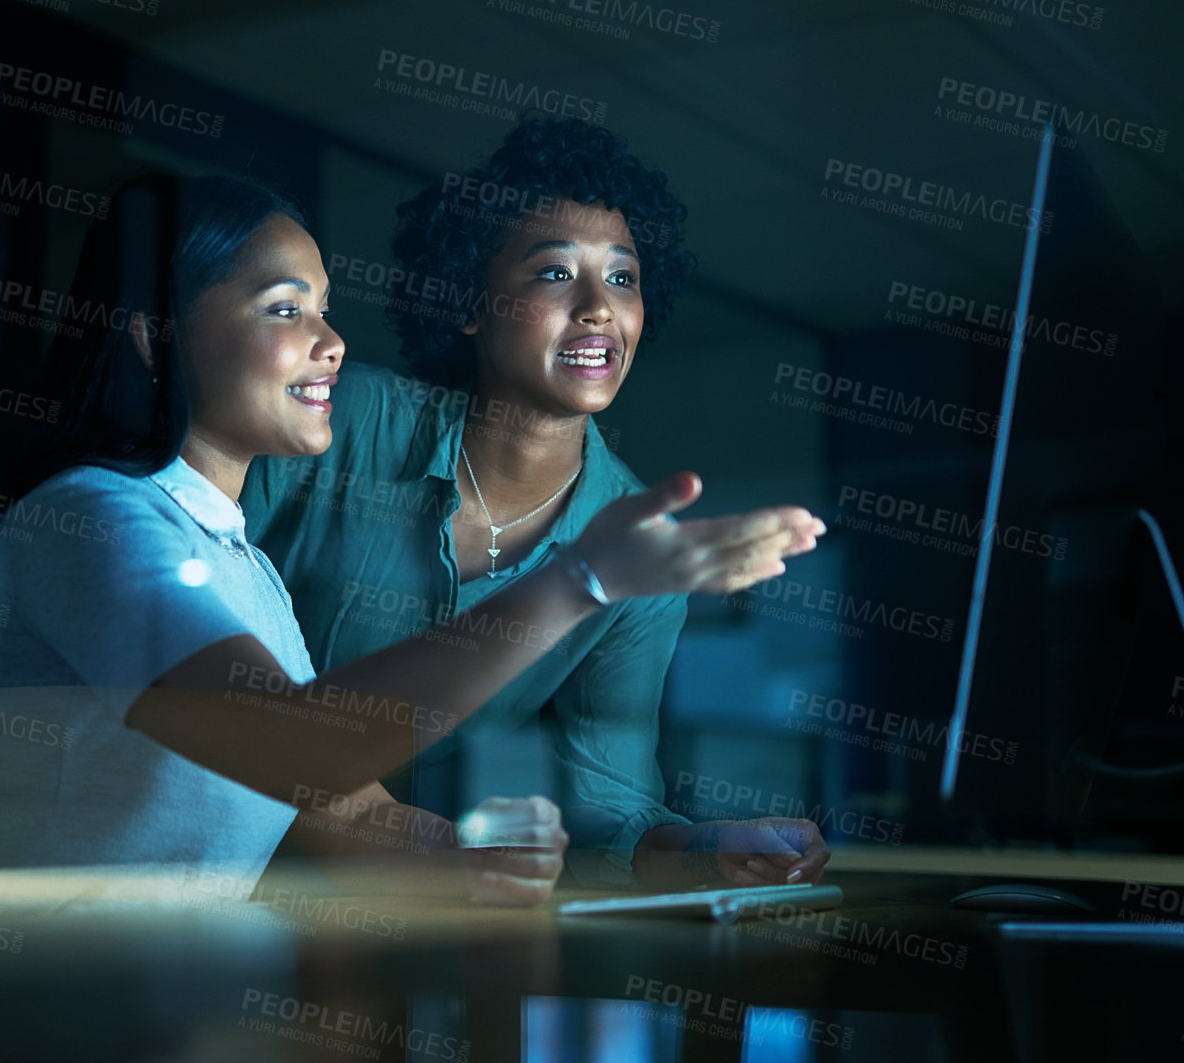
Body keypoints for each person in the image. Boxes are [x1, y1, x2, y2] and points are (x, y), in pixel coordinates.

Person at [0, 173, 807, 904]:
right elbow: (301, 746)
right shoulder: (98, 521)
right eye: (287, 309)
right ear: (154, 336)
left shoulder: (241, 567)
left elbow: (333, 799)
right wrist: (580, 579)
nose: (333, 342)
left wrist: (480, 860)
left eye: (326, 310)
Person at [241, 118, 832, 891]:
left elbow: (608, 809)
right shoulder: (337, 420)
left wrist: (709, 848)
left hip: (407, 922)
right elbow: (188, 662)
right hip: (204, 870)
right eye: (556, 274)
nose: (598, 307)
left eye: (623, 278)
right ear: (470, 304)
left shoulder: (638, 545)